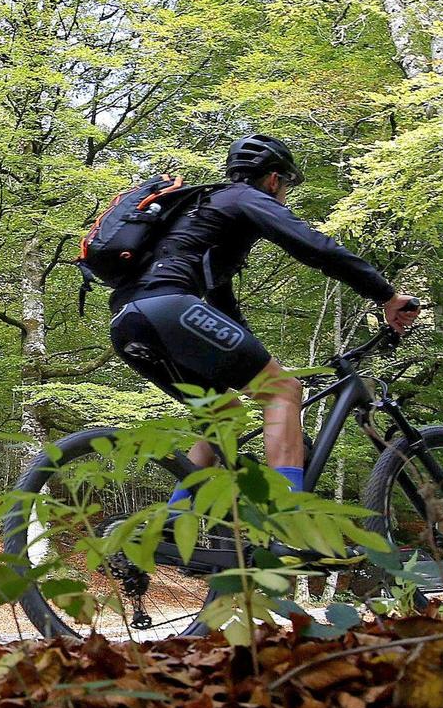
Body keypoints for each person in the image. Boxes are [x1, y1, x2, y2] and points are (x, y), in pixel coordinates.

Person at [109, 133, 419, 514]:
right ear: (274, 180)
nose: (284, 193)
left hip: (128, 324)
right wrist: (386, 296)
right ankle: (288, 519)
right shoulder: (244, 198)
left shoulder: (202, 219)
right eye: (286, 185)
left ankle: (172, 522)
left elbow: (222, 306)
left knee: (223, 415)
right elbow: (315, 247)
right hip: (168, 308)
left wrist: (257, 356)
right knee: (284, 390)